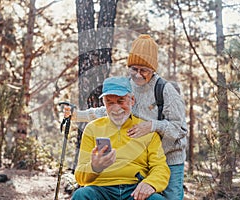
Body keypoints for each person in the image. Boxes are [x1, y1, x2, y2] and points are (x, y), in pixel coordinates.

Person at [67, 34, 188, 200]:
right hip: (114, 179)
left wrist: (152, 126)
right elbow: (107, 110)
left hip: (169, 153)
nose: (138, 74)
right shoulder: (126, 86)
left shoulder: (165, 91)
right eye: (134, 69)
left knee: (171, 197)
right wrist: (77, 115)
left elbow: (180, 129)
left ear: (153, 69)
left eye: (143, 70)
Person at [71, 76, 170, 200]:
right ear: (104, 103)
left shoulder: (146, 130)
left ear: (132, 100)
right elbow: (80, 175)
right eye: (110, 102)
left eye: (121, 101)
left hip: (134, 191)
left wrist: (151, 183)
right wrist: (94, 167)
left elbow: (160, 167)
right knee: (81, 195)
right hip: (100, 190)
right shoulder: (92, 129)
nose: (116, 108)